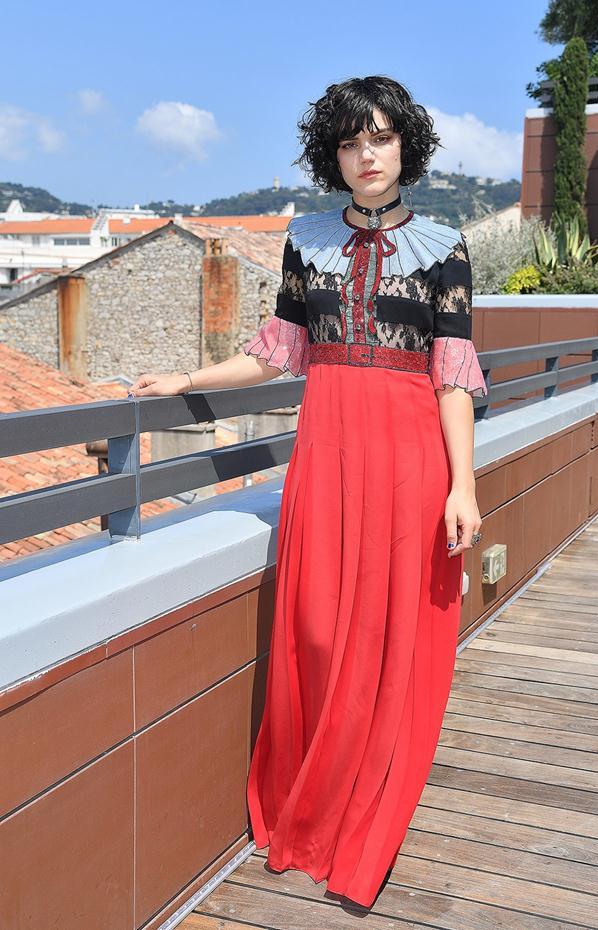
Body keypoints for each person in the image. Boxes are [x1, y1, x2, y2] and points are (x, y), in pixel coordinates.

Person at [127, 74, 487, 909]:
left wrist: (462, 486)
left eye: (382, 138)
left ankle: (365, 802)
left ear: (406, 146)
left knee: (389, 632)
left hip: (409, 460)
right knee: (320, 628)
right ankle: (315, 790)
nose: (368, 155)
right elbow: (277, 351)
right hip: (327, 453)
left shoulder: (447, 246)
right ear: (335, 156)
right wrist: (187, 378)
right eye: (352, 142)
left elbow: (451, 377)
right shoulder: (306, 240)